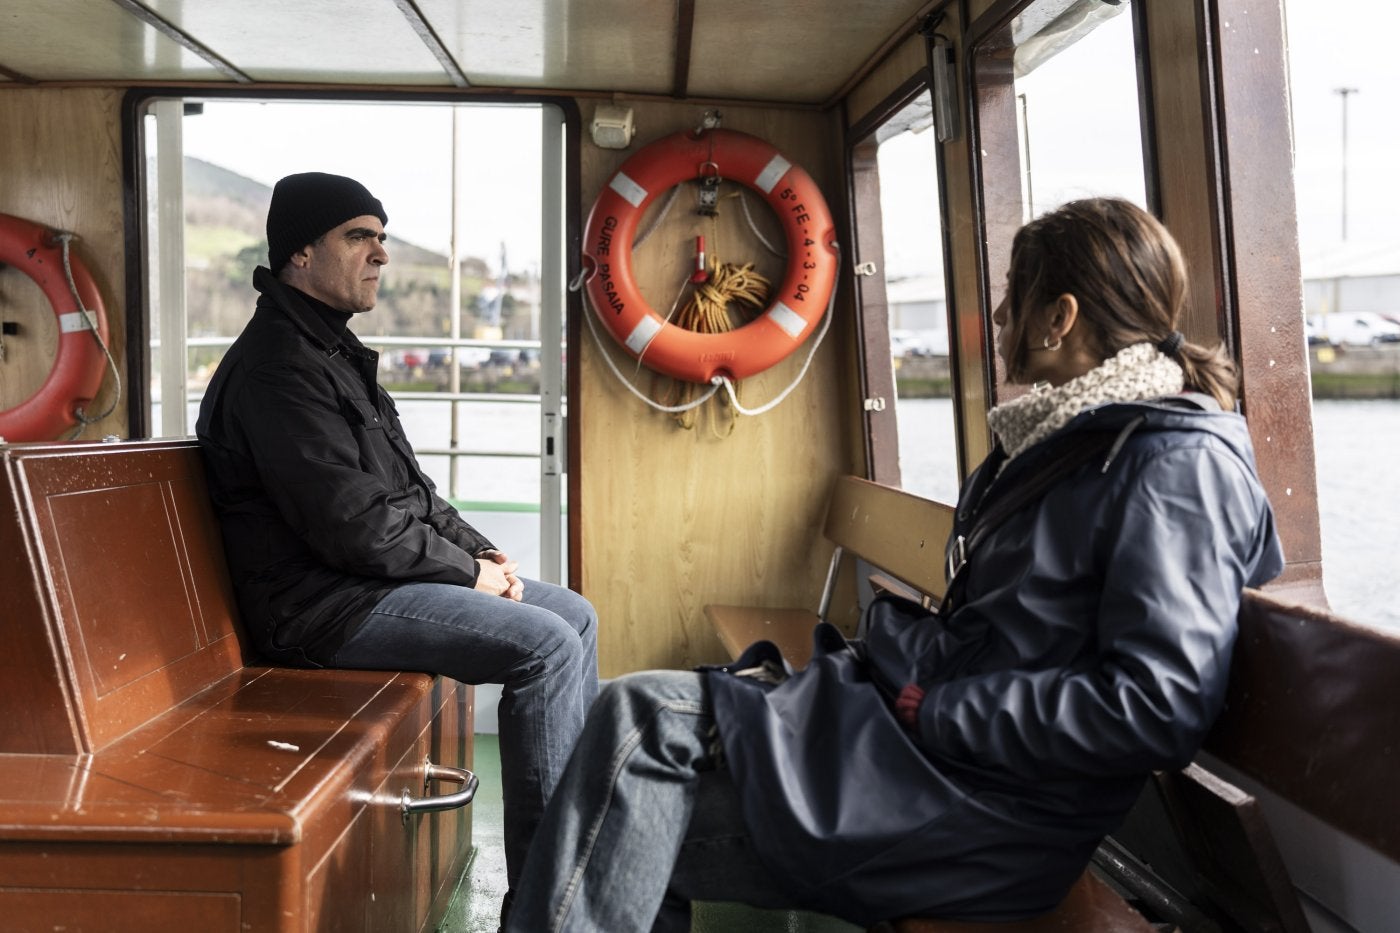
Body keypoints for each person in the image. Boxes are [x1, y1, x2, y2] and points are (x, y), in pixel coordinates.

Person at [504, 197, 1284, 932]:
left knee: (636, 724)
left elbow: (1155, 707)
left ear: (1061, 317)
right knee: (629, 781)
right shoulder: (1071, 444)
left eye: (1014, 296)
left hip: (991, 812)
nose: (1000, 315)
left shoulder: (1174, 467)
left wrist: (937, 709)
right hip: (938, 762)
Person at [195, 172, 598, 921]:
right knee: (544, 647)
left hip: (367, 583)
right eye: (359, 237)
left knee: (574, 615)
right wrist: (465, 573)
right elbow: (350, 524)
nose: (380, 253)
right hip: (318, 608)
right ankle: (548, 911)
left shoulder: (332, 352)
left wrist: (484, 556)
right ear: (300, 253)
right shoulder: (278, 368)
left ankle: (576, 869)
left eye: (381, 237)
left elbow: (411, 493)